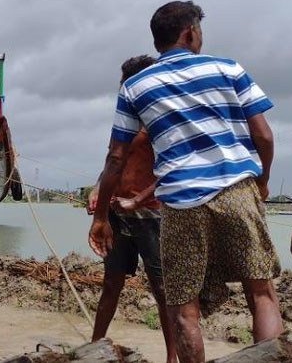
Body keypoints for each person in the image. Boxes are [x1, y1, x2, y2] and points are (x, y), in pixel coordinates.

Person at [88, 1, 282, 362]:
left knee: (184, 308)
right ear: (190, 32)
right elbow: (265, 136)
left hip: (178, 201)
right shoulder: (227, 68)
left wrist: (100, 218)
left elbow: (115, 157)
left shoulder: (135, 86)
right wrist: (263, 180)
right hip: (236, 187)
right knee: (261, 293)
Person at [87, 55, 177, 363]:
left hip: (152, 216)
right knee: (111, 283)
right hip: (117, 215)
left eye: (127, 83)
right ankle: (93, 347)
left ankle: (171, 357)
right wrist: (99, 189)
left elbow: (172, 169)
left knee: (163, 290)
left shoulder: (161, 120)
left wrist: (138, 199)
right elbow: (112, 162)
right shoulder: (124, 120)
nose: (123, 89)